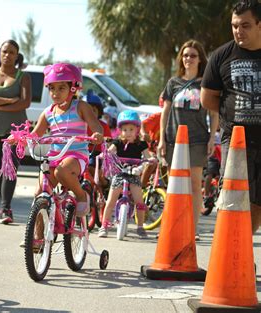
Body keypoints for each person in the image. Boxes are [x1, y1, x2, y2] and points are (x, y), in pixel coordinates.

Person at [201, 0, 261, 234]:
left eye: (245, 25)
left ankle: (242, 245)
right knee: (232, 195)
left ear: (259, 25)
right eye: (235, 25)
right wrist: (235, 114)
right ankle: (232, 248)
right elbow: (208, 99)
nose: (238, 31)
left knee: (258, 201)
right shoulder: (222, 55)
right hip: (236, 139)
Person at [158, 39, 218, 241]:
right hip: (173, 140)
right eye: (185, 55)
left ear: (200, 59)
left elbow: (214, 114)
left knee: (194, 185)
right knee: (173, 185)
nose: (188, 59)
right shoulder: (172, 83)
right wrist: (161, 140)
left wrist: (212, 138)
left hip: (197, 141)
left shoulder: (205, 83)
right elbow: (165, 113)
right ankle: (171, 227)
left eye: (193, 55)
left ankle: (192, 229)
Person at [30, 63, 104, 217]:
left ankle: (81, 195)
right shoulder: (48, 112)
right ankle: (35, 238)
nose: (55, 93)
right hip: (55, 156)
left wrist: (97, 134)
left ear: (73, 88)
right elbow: (35, 134)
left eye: (61, 88)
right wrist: (19, 138)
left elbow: (96, 125)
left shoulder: (81, 106)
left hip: (76, 156)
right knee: (39, 194)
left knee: (61, 172)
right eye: (52, 88)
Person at [0, 39, 31, 224]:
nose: (7, 55)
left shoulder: (23, 77)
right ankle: (3, 208)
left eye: (11, 52)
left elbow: (25, 102)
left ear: (17, 55)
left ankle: (5, 209)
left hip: (16, 129)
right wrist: (9, 102)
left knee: (10, 169)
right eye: (4, 51)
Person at [99, 110, 153, 239]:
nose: (127, 133)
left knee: (139, 200)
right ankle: (104, 225)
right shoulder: (118, 142)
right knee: (111, 200)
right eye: (124, 130)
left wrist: (150, 160)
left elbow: (147, 156)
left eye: (130, 129)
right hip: (119, 172)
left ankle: (140, 227)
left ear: (137, 129)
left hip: (134, 173)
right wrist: (106, 153)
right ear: (120, 130)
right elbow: (111, 150)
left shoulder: (141, 144)